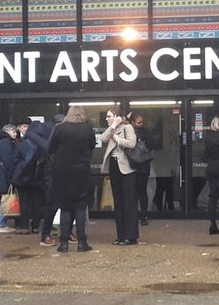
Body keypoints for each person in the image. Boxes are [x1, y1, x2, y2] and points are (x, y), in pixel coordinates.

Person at [48, 106, 95, 254]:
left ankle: (64, 243)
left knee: (65, 207)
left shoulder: (60, 128)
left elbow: (50, 148)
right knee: (80, 206)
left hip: (62, 172)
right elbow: (92, 146)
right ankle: (82, 242)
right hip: (81, 171)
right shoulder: (87, 128)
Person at [100, 106, 139, 245]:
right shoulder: (112, 128)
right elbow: (103, 138)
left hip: (126, 168)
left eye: (109, 116)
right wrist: (113, 126)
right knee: (118, 201)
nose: (106, 119)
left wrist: (117, 139)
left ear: (116, 115)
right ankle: (120, 234)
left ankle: (131, 235)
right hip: (114, 167)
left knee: (128, 202)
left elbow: (132, 143)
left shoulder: (127, 127)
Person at [0, 124, 19, 234]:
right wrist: (12, 174)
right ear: (8, 132)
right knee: (5, 199)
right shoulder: (6, 143)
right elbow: (9, 161)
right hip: (3, 176)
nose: (15, 133)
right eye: (13, 131)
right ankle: (1, 224)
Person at [130, 112, 153, 225]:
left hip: (134, 164)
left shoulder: (129, 130)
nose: (141, 124)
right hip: (143, 164)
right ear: (133, 121)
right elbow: (151, 145)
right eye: (139, 122)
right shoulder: (146, 132)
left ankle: (139, 215)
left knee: (136, 192)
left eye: (141, 122)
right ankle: (143, 215)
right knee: (142, 191)